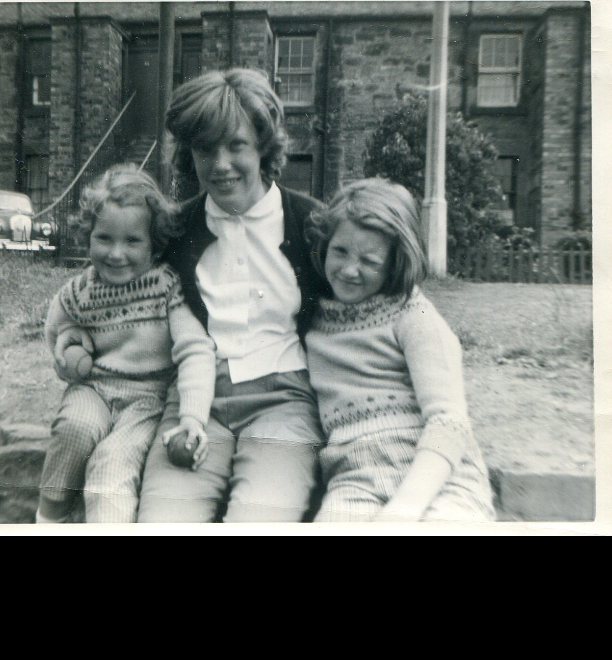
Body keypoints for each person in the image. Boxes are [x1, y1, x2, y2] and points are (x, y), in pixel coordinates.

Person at [136, 68, 329, 523]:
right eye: (205, 149)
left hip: (284, 402)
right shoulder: (174, 230)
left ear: (263, 146)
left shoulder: (312, 224)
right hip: (194, 405)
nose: (221, 164)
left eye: (236, 145)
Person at [304, 177, 496, 522]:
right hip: (356, 480)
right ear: (325, 244)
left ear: (395, 263)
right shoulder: (313, 320)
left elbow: (449, 421)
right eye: (340, 251)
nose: (349, 270)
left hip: (439, 476)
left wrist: (405, 507)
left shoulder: (413, 315)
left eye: (369, 261)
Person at [36, 165, 216, 523]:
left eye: (132, 241)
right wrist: (68, 343)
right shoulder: (79, 290)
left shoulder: (166, 286)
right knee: (75, 429)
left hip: (146, 401)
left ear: (154, 242)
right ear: (88, 235)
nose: (116, 254)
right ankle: (49, 517)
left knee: (112, 464)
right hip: (93, 389)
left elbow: (195, 348)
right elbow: (56, 328)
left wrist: (192, 416)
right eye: (104, 238)